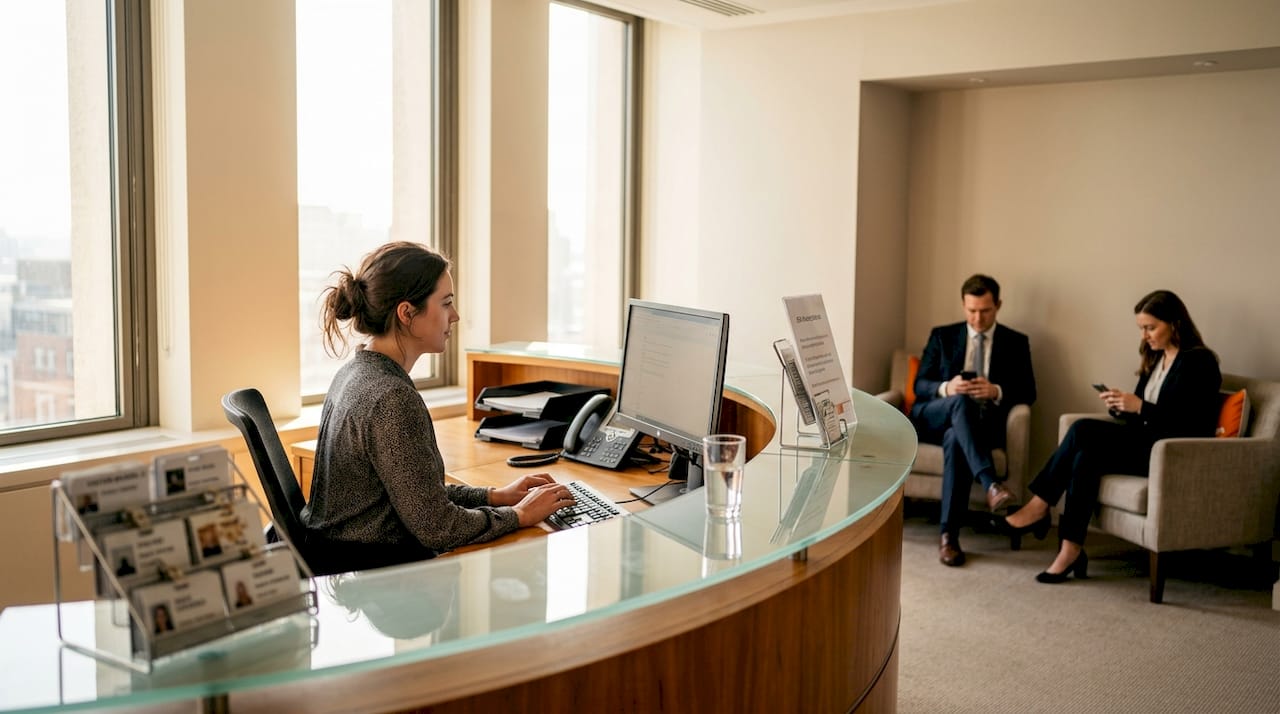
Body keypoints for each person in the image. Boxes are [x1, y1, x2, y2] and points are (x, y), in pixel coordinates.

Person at [300, 242, 574, 575]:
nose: (455, 316)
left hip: (346, 564)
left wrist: (495, 496)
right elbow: (437, 526)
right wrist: (520, 515)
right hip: (378, 577)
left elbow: (416, 492)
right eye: (445, 303)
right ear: (406, 314)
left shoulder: (356, 372)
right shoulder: (391, 398)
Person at [1002, 290, 1221, 583]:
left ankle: (1039, 504)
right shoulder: (1156, 358)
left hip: (1170, 454)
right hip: (1143, 442)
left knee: (1081, 429)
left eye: (1150, 327)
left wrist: (1140, 406)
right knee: (1085, 456)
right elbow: (1145, 413)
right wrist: (1121, 406)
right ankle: (1071, 550)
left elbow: (1189, 424)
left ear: (1175, 323)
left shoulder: (1200, 362)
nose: (1145, 336)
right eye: (1141, 329)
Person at [910, 274, 1036, 566]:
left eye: (985, 311)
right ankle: (991, 483)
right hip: (935, 416)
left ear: (998, 305)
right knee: (959, 403)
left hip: (979, 425)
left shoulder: (1016, 342)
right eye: (971, 310)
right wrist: (947, 388)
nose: (977, 318)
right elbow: (920, 385)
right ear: (963, 305)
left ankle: (948, 538)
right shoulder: (942, 335)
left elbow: (1029, 391)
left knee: (957, 438)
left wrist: (996, 390)